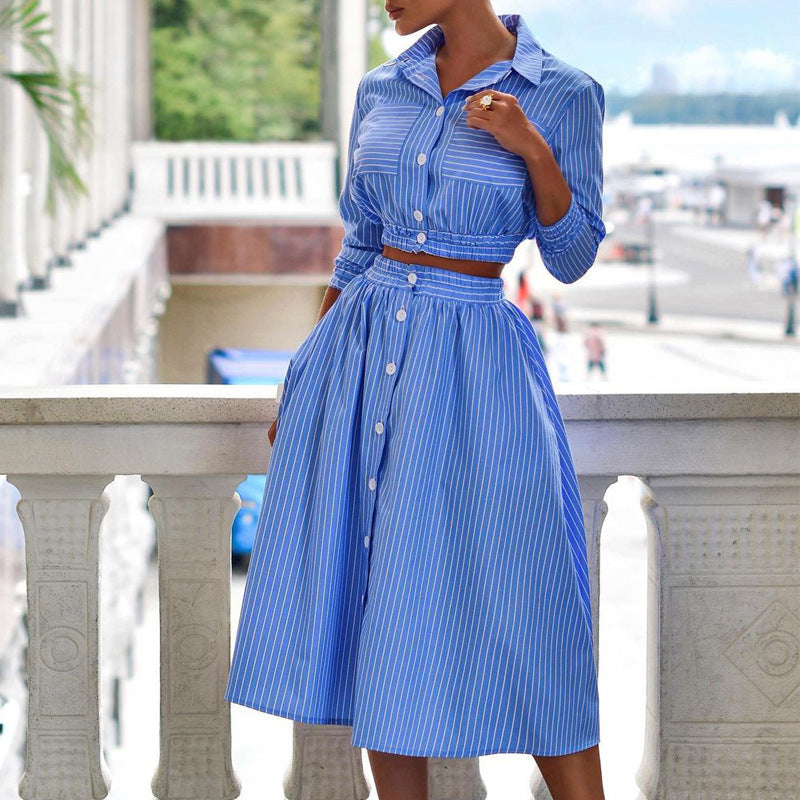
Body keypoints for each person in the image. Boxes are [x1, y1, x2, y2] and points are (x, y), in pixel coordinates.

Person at [225, 5, 607, 800]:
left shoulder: (563, 93)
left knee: (531, 607)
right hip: (360, 359)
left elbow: (571, 257)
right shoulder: (381, 89)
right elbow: (361, 241)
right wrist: (306, 374)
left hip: (478, 372)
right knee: (379, 604)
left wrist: (531, 148)